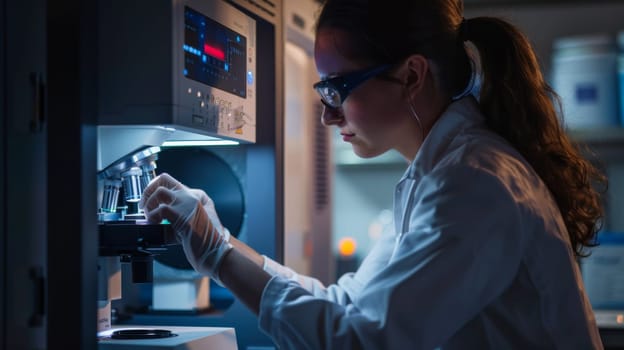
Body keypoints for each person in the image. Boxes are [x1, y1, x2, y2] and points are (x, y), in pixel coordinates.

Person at [139, 0, 608, 348]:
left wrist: (220, 256)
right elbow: (349, 304)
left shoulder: (474, 184)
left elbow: (363, 340)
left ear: (410, 76)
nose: (327, 116)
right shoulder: (440, 175)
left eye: (337, 88)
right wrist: (220, 243)